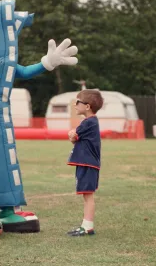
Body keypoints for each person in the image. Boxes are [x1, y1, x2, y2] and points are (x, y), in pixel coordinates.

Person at [67, 89, 104, 236]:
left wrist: (72, 135)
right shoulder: (89, 122)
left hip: (88, 164)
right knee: (86, 195)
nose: (75, 105)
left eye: (78, 102)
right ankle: (85, 224)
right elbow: (74, 137)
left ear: (87, 106)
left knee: (88, 196)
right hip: (86, 164)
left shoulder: (89, 122)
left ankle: (88, 226)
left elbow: (73, 135)